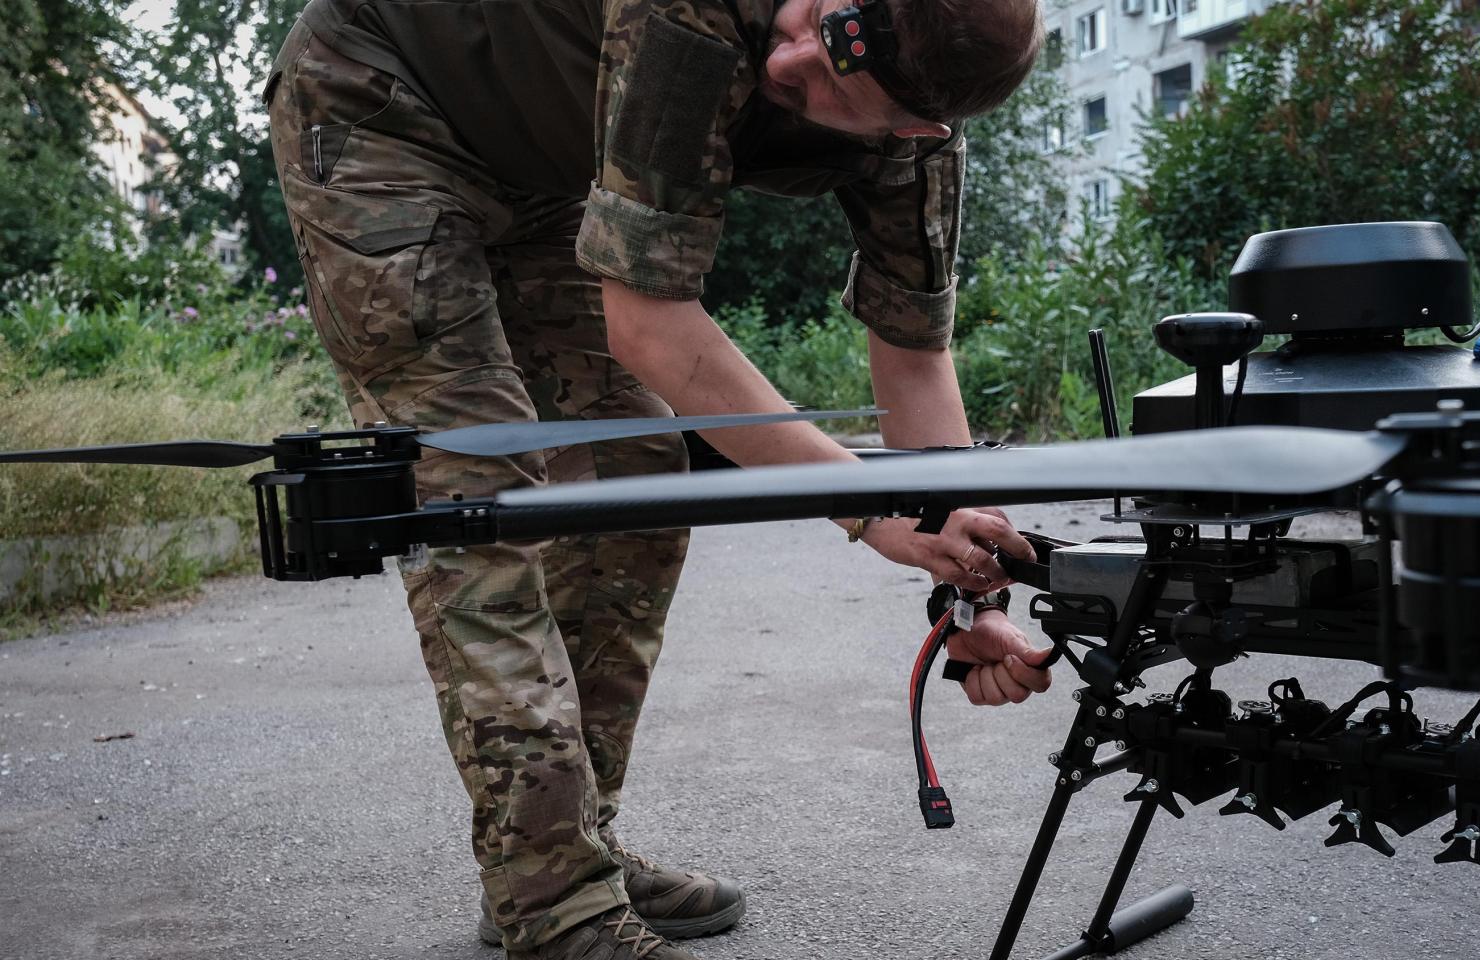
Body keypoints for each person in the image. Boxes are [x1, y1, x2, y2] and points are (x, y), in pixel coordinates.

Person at [265, 0, 1047, 956]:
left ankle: (559, 849)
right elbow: (652, 325)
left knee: (637, 467)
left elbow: (915, 361)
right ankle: (555, 903)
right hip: (379, 105)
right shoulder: (697, 15)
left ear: (910, 127)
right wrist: (870, 509)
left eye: (829, 85)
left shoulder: (919, 147)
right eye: (808, 16)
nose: (789, 55)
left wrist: (964, 597)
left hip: (550, 175)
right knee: (479, 493)